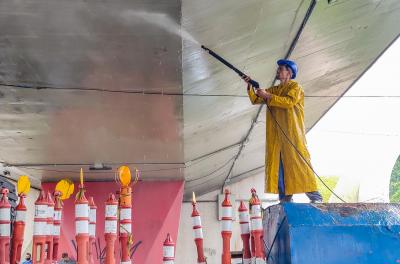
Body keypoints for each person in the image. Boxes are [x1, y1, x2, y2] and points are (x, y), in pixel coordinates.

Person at [245, 59, 322, 203]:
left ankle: (316, 198)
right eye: (278, 69)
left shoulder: (296, 88)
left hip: (292, 136)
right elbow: (256, 99)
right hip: (277, 139)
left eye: (281, 69)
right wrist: (250, 86)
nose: (278, 71)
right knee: (280, 170)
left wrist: (267, 96)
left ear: (289, 72)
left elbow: (288, 102)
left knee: (300, 165)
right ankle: (285, 202)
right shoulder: (275, 90)